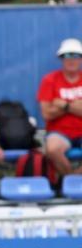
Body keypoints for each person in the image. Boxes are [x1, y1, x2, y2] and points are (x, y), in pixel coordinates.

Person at [38, 38, 82, 176]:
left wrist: (64, 105)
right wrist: (76, 106)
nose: (71, 60)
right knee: (52, 149)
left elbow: (53, 110)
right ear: (61, 59)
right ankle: (72, 179)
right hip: (59, 132)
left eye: (76, 55)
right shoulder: (49, 80)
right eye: (67, 55)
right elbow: (46, 113)